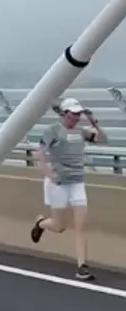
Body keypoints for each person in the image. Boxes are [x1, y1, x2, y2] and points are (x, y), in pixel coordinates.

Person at [31, 97, 106, 282]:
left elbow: (103, 139)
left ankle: (82, 266)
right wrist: (49, 173)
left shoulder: (81, 132)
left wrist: (93, 121)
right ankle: (40, 223)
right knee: (59, 226)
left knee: (81, 226)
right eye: (74, 114)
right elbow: (38, 154)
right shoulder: (52, 131)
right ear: (64, 114)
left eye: (79, 113)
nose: (77, 117)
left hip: (77, 182)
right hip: (58, 183)